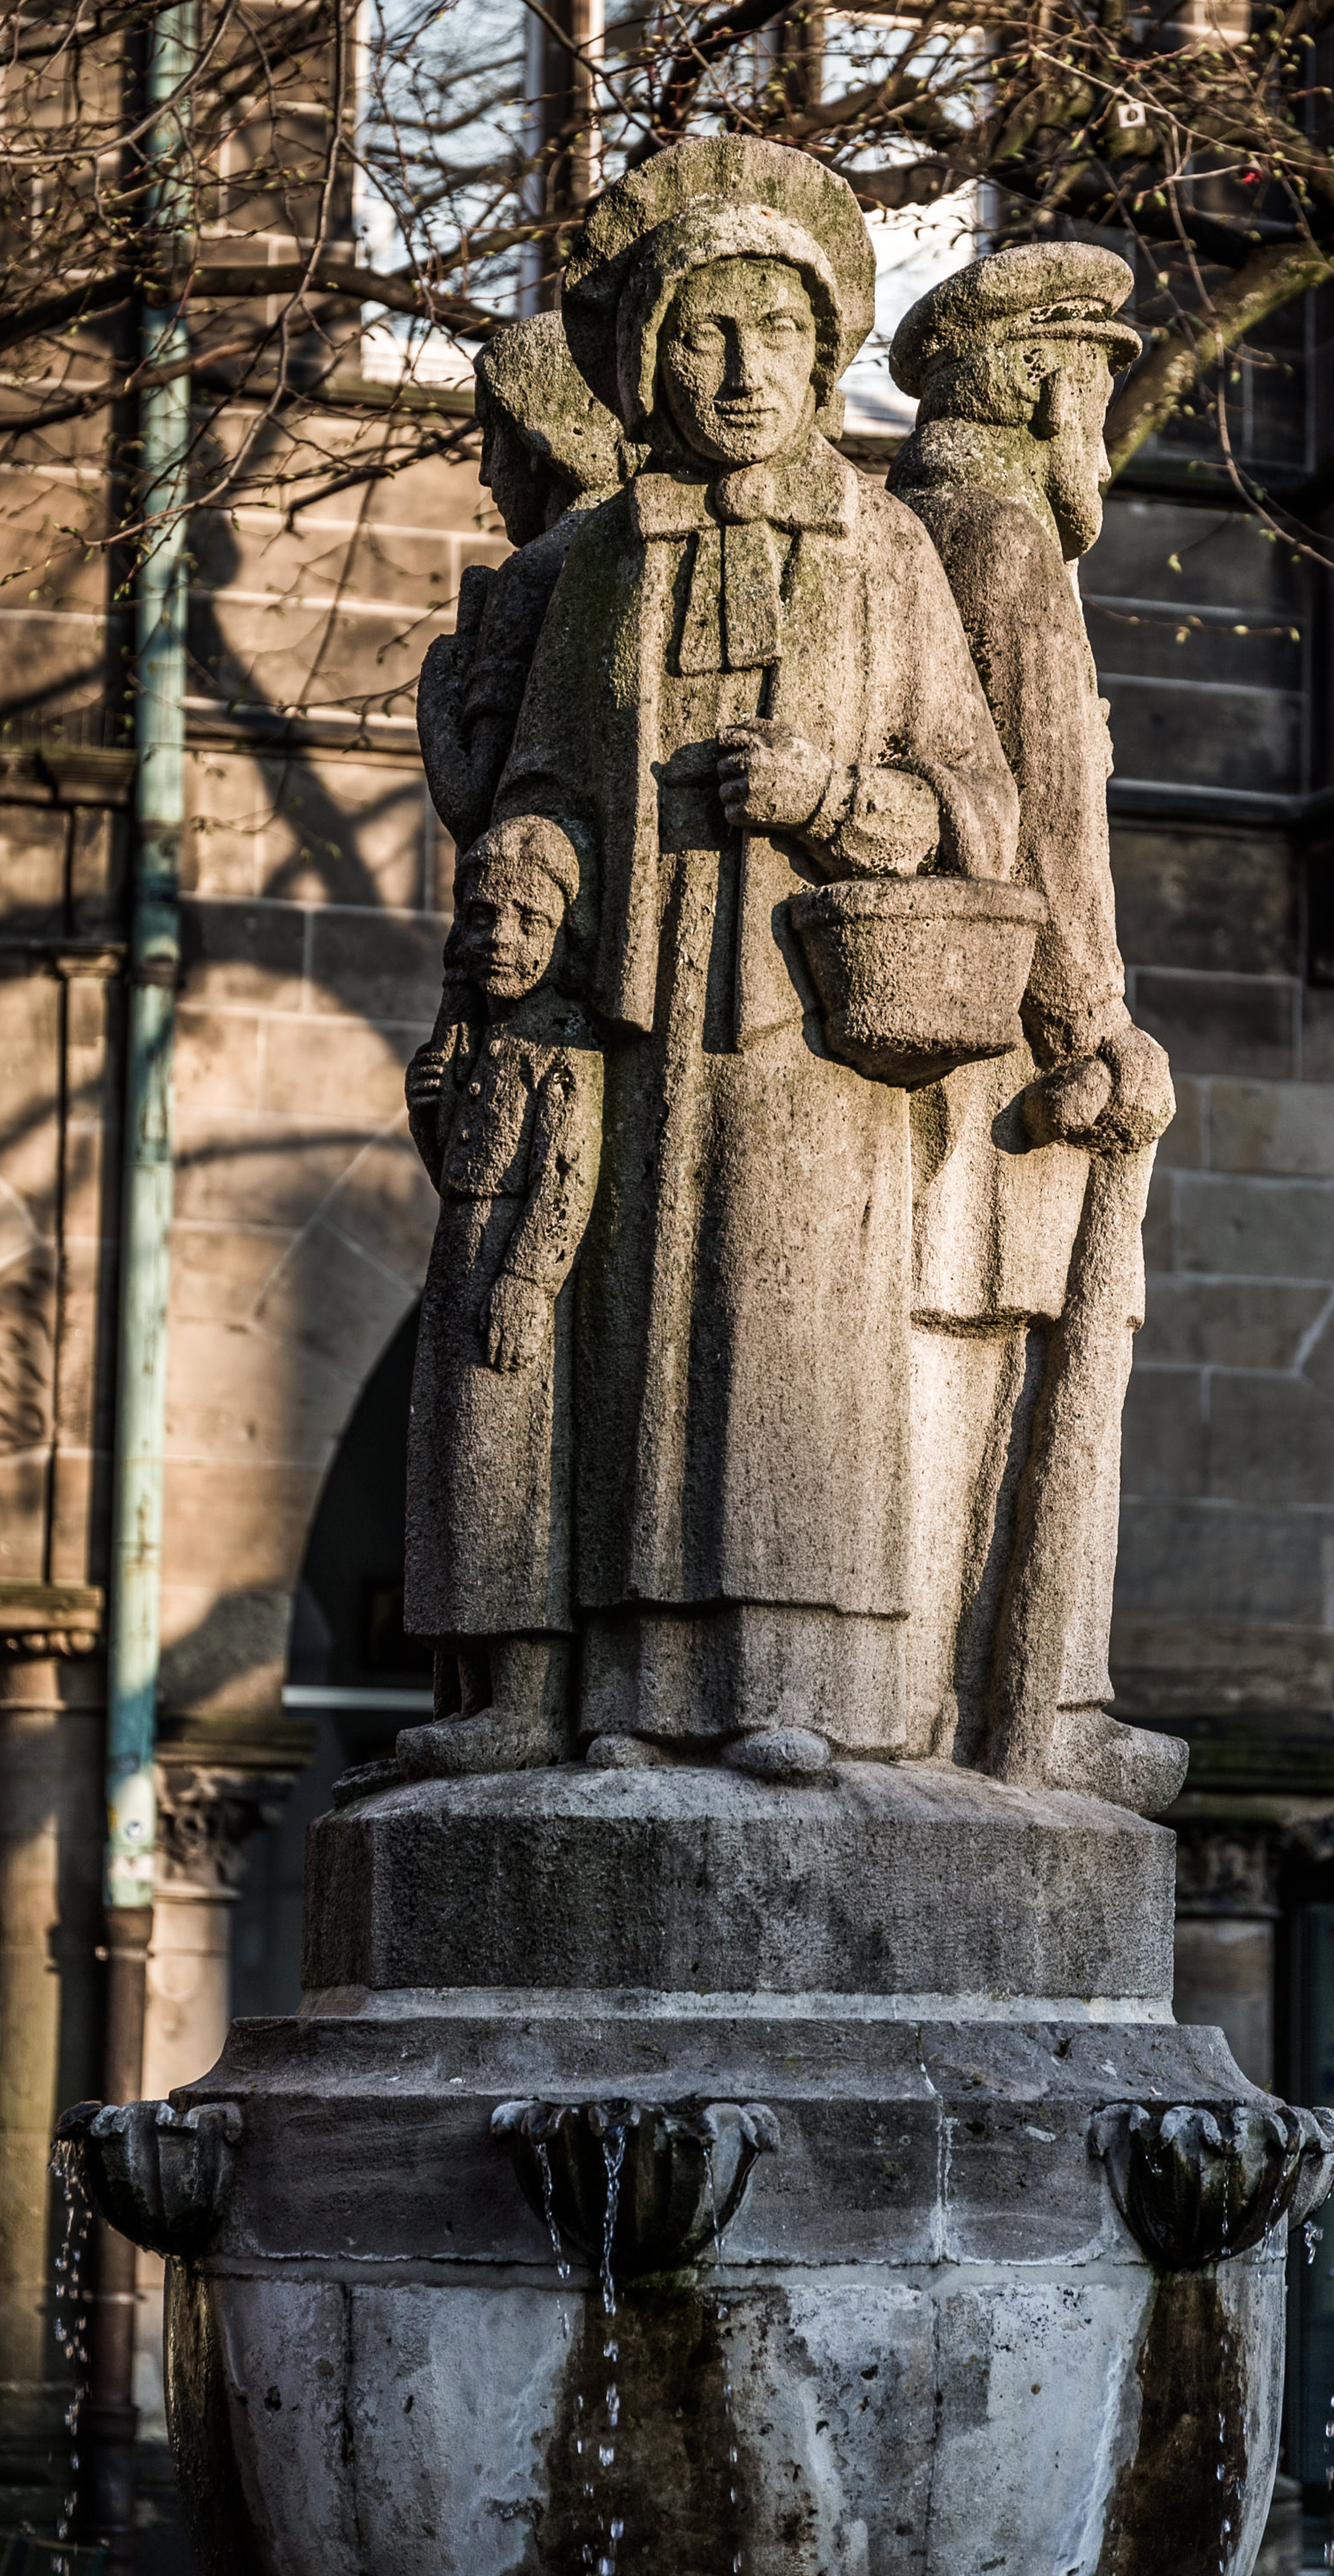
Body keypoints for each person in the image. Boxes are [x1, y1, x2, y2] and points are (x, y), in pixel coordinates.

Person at [497, 138, 1019, 1770]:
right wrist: (533, 855)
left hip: (812, 1023)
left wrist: (835, 800)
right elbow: (542, 777)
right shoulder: (603, 557)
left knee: (793, 1349)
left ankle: (799, 1693)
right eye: (707, 337)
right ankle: (641, 1694)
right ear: (653, 361)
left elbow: (974, 795)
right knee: (641, 1349)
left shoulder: (884, 549)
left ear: (820, 351)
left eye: (775, 336)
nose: (741, 373)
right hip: (641, 1022)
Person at [887, 245, 1185, 1812]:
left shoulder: (920, 523)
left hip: (963, 1027)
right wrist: (1096, 1026)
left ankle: (982, 1701)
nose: (1104, 439)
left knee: (974, 1362)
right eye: (1093, 391)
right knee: (1002, 1356)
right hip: (1009, 1047)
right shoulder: (998, 537)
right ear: (1035, 383)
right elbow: (1045, 818)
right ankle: (1008, 1711)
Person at [396, 815, 603, 1775]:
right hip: (457, 1260)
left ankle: (522, 1702)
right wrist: (427, 1111)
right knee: (449, 1474)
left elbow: (566, 1174)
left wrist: (527, 1279)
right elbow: (456, 1168)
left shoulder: (561, 1041)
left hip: (502, 1274)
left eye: (527, 920)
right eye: (480, 916)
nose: (499, 939)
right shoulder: (478, 1040)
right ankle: (468, 1693)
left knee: (502, 1476)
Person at [416, 311, 623, 858]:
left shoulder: (535, 573)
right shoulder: (647, 544)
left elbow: (475, 806)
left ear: (537, 445)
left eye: (493, 437)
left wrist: (442, 678)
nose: (485, 473)